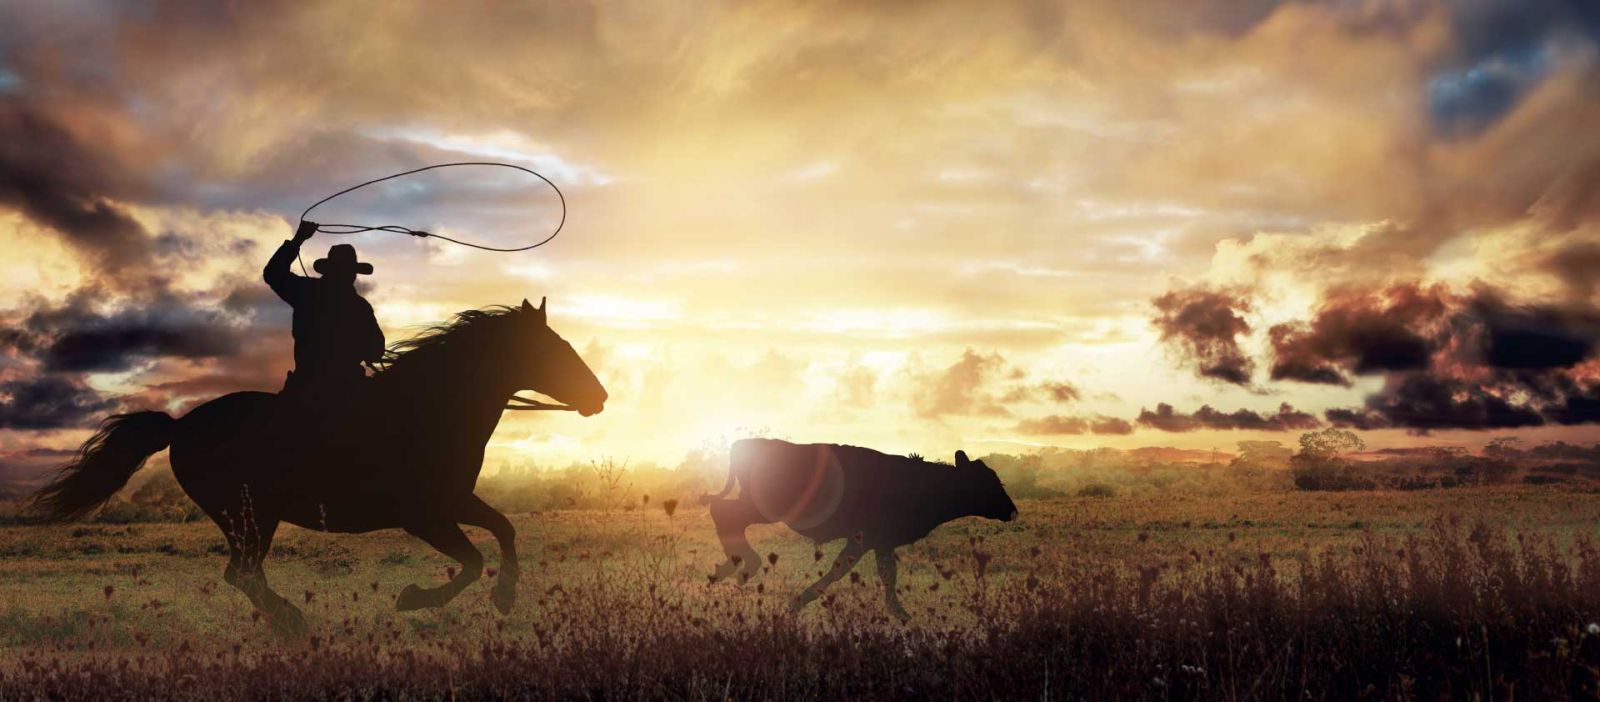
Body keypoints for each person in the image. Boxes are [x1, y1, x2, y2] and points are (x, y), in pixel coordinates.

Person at [263, 221, 386, 403]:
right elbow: (375, 351)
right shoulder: (360, 306)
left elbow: (273, 273)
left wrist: (298, 239)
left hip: (306, 384)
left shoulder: (307, 291)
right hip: (348, 386)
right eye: (348, 271)